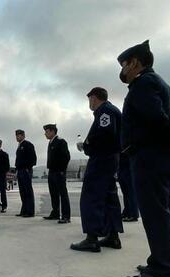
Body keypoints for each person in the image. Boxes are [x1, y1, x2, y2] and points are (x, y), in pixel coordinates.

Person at [118, 40, 170, 277]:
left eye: (124, 64)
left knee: (155, 215)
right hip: (162, 158)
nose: (122, 69)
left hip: (150, 158)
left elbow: (156, 118)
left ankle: (162, 271)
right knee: (164, 214)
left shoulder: (143, 84)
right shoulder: (162, 85)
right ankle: (169, 264)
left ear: (136, 63)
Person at [71, 87, 124, 252]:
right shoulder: (111, 111)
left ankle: (92, 238)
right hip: (111, 158)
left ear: (94, 98)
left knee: (91, 196)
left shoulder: (105, 111)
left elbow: (105, 135)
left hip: (102, 159)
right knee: (109, 197)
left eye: (89, 99)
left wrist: (86, 145)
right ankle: (113, 236)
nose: (89, 103)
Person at [42, 124, 71, 224]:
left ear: (53, 131)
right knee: (53, 193)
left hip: (59, 171)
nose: (45, 134)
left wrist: (62, 170)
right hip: (52, 171)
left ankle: (66, 216)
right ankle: (55, 213)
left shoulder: (60, 141)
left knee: (63, 194)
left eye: (47, 131)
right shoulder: (51, 143)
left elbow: (66, 157)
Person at [15, 130, 37, 217]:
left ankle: (30, 211)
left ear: (23, 135)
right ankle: (24, 210)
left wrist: (28, 168)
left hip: (26, 170)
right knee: (22, 191)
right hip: (20, 171)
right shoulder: (19, 146)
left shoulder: (28, 145)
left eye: (19, 135)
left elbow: (33, 158)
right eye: (16, 136)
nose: (17, 137)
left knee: (28, 191)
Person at [118, 153, 139, 222]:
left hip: (127, 159)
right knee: (126, 190)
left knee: (129, 189)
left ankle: (133, 213)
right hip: (123, 160)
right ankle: (128, 211)